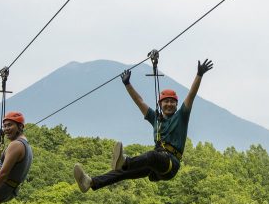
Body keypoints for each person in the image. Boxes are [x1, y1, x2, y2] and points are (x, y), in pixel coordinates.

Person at [73, 59, 213, 192]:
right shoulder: (155, 118)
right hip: (155, 167)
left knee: (149, 157)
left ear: (177, 105)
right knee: (123, 172)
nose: (169, 104)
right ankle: (90, 182)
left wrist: (199, 75)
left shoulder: (181, 116)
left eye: (172, 102)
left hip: (171, 164)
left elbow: (191, 95)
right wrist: (127, 84)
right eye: (166, 101)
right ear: (160, 104)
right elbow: (139, 101)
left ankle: (125, 161)